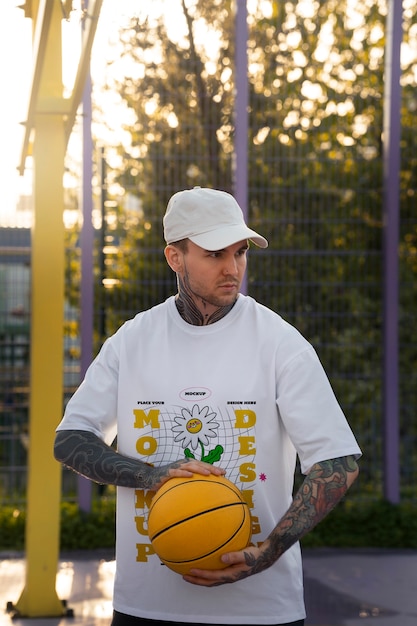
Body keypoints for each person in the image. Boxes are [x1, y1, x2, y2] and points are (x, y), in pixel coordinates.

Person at [54, 186, 361, 626]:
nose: (232, 268)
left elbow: (338, 461)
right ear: (175, 257)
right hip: (146, 605)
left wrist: (267, 552)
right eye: (215, 253)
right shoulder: (132, 341)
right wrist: (151, 475)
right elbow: (70, 439)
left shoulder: (279, 343)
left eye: (240, 253)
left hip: (260, 608)